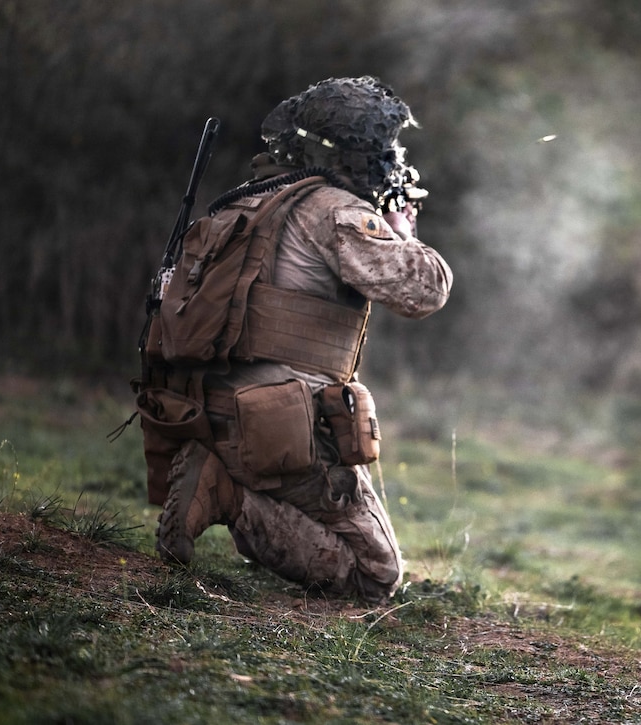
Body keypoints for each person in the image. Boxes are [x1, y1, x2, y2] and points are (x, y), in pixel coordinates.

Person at [147, 76, 452, 603]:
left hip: (201, 410)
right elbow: (422, 291)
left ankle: (223, 477)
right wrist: (404, 231)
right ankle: (227, 494)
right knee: (374, 577)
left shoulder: (246, 202)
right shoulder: (337, 210)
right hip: (275, 428)